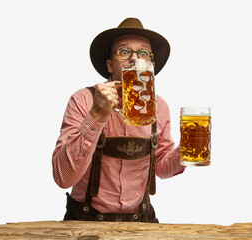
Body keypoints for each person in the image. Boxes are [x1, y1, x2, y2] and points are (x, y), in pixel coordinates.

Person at [52, 17, 185, 223]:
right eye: (124, 52)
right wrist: (96, 116)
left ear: (151, 65)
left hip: (141, 219)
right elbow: (63, 178)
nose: (134, 59)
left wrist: (187, 150)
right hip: (86, 219)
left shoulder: (160, 107)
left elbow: (161, 167)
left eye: (143, 54)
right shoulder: (83, 100)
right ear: (110, 65)